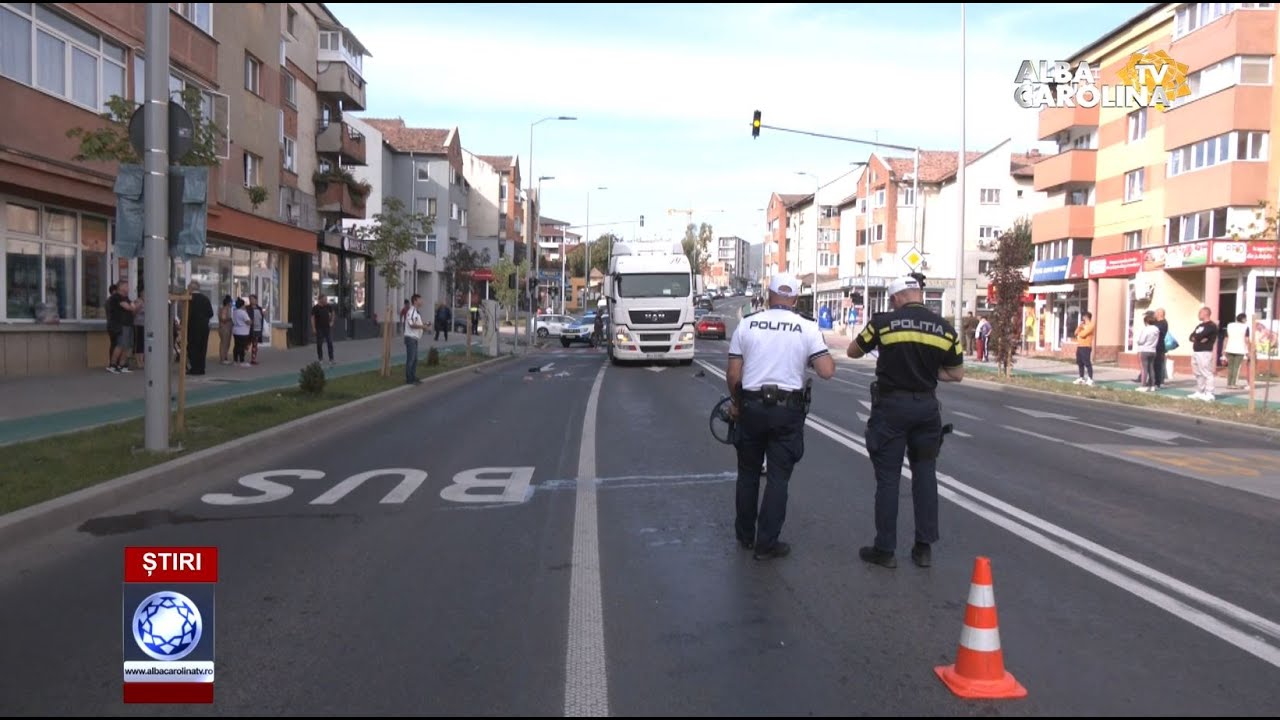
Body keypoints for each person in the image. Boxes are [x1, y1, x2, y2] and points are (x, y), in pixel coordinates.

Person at [846, 275, 963, 569]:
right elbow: (956, 374)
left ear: (898, 297)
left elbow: (852, 351)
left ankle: (884, 550)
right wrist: (927, 371)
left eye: (892, 299)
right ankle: (923, 549)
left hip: (891, 408)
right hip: (926, 408)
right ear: (919, 295)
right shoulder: (945, 329)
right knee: (925, 476)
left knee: (888, 479)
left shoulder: (883, 323)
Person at [726, 272, 836, 560]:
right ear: (796, 299)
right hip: (787, 412)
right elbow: (826, 371)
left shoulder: (747, 325)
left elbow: (734, 373)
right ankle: (766, 545)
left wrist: (737, 404)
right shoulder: (808, 328)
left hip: (751, 407)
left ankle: (745, 535)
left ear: (768, 296)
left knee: (748, 474)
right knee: (778, 479)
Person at [1188, 306, 1218, 402]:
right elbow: (1191, 337)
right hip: (1196, 351)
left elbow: (1201, 336)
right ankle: (1200, 391)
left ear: (1205, 313)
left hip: (1205, 352)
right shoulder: (1199, 326)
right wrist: (1197, 338)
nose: (1198, 315)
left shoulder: (1211, 326)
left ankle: (1210, 393)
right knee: (1197, 372)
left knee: (1206, 372)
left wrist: (1197, 338)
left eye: (1200, 313)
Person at [107, 280, 137, 374]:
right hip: (120, 324)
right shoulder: (116, 297)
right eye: (126, 286)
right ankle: (112, 365)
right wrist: (131, 307)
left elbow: (133, 307)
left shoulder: (126, 298)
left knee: (128, 346)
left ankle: (122, 364)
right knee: (120, 345)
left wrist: (132, 306)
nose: (128, 288)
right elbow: (128, 307)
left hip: (128, 324)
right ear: (121, 287)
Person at [186, 281, 214, 375]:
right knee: (202, 347)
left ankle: (194, 368)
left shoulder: (189, 299)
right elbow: (211, 313)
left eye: (188, 288)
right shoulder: (205, 298)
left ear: (191, 288)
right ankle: (201, 368)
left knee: (193, 347)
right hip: (204, 327)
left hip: (192, 327)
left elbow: (187, 314)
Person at [404, 293, 427, 385]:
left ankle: (413, 377)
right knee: (411, 359)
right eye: (420, 300)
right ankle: (409, 379)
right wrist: (423, 326)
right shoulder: (411, 311)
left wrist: (424, 324)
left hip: (415, 338)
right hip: (410, 338)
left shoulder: (416, 312)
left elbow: (416, 322)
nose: (421, 301)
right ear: (415, 301)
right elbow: (411, 324)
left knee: (415, 359)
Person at [1224, 313, 1251, 389]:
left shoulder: (1230, 325)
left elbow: (1226, 338)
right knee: (1237, 367)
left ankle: (1229, 384)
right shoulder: (1245, 327)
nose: (1246, 320)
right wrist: (1248, 351)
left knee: (1230, 367)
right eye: (1245, 319)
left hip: (1229, 348)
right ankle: (1234, 384)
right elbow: (1246, 340)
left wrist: (1224, 349)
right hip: (1240, 349)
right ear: (1242, 319)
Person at [312, 294, 335, 365]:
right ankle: (320, 359)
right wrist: (313, 328)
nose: (326, 300)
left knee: (330, 343)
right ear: (320, 299)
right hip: (319, 328)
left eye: (326, 299)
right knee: (319, 344)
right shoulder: (315, 308)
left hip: (327, 328)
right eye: (325, 299)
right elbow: (312, 318)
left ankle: (331, 359)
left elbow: (333, 313)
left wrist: (332, 321)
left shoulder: (328, 306)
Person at [1074, 311, 1095, 386]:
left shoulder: (1091, 326)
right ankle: (1081, 378)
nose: (1083, 318)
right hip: (1080, 346)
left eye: (1083, 317)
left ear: (1087, 317)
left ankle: (1090, 379)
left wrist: (1079, 334)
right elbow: (1075, 333)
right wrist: (1079, 327)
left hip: (1086, 346)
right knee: (1080, 362)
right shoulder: (1082, 325)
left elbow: (1083, 334)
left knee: (1087, 362)